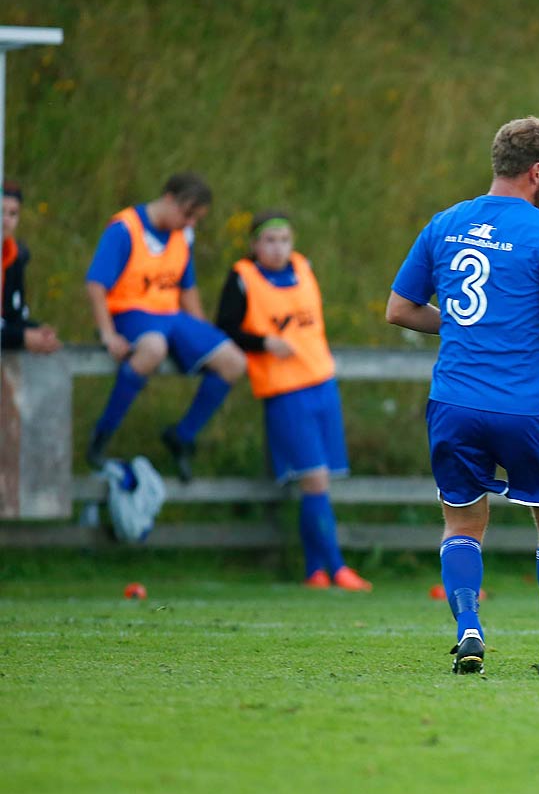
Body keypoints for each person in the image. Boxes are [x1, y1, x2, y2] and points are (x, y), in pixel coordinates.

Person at [386, 116, 539, 677]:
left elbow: (400, 309)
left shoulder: (446, 224)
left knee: (461, 523)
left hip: (453, 401)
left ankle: (469, 628)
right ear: (537, 172)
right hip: (524, 406)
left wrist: (458, 324)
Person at [215, 211, 370, 591]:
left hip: (321, 382)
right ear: (254, 245)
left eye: (285, 239)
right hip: (284, 391)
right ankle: (337, 568)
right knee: (314, 480)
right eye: (269, 240)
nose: (279, 247)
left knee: (319, 482)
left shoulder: (303, 267)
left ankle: (314, 571)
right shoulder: (243, 278)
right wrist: (264, 342)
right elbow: (225, 329)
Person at [83, 172, 246, 479]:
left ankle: (182, 436)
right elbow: (96, 284)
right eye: (187, 215)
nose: (190, 224)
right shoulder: (125, 229)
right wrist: (107, 333)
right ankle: (102, 434)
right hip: (130, 313)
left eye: (197, 219)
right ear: (169, 199)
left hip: (170, 315)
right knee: (153, 349)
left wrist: (201, 334)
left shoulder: (182, 236)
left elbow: (187, 288)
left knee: (233, 361)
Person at [2, 186, 62, 355]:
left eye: (13, 214)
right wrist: (22, 337)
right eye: (1, 211)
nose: (5, 220)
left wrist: (36, 331)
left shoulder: (15, 258)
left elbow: (12, 318)